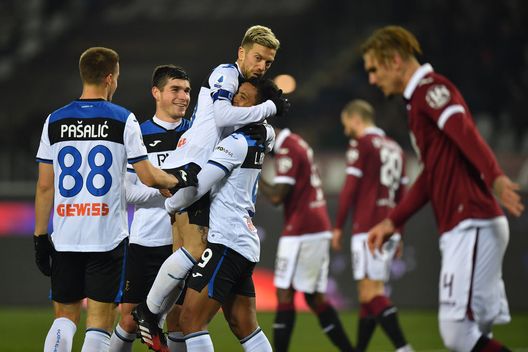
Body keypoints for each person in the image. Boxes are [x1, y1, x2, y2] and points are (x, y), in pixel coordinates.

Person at [361, 26, 524, 352]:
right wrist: (394, 220)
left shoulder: (430, 89)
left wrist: (495, 176)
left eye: (374, 69)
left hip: (470, 220)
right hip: (471, 222)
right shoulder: (417, 102)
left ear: (394, 60)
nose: (372, 80)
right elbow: (431, 175)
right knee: (476, 336)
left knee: (457, 334)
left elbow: (463, 130)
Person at [132, 25, 289, 351]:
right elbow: (222, 113)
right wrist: (268, 114)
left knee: (190, 307)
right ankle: (150, 314)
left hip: (223, 228)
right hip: (237, 228)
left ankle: (148, 312)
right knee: (235, 321)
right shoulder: (226, 79)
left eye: (268, 63)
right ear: (241, 53)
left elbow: (206, 171)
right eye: (258, 58)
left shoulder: (238, 140)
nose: (261, 66)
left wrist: (169, 182)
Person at [33, 47, 196, 352]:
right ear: (110, 78)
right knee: (100, 320)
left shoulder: (54, 121)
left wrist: (41, 236)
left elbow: (44, 187)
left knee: (65, 318)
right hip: (106, 237)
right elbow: (147, 176)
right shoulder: (123, 119)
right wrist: (180, 180)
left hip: (66, 236)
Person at [163, 79, 277, 352]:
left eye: (244, 99)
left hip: (225, 240)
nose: (236, 101)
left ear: (257, 108)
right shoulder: (259, 137)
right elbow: (270, 134)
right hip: (242, 240)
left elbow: (199, 186)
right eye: (236, 95)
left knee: (190, 320)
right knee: (243, 324)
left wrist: (169, 204)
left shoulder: (235, 143)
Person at [109, 65, 192, 352]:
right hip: (146, 240)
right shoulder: (138, 134)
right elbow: (128, 191)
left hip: (184, 243)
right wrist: (171, 191)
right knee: (130, 321)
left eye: (187, 90)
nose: (183, 96)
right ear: (156, 92)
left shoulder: (196, 134)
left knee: (181, 321)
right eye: (176, 89)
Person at [259, 124, 356, 352]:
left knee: (285, 293)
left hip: (303, 230)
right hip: (313, 226)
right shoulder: (297, 142)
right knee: (314, 298)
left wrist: (255, 173)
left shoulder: (288, 149)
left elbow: (276, 197)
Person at [332, 99, 412, 352]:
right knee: (369, 292)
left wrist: (338, 227)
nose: (347, 132)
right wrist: (399, 231)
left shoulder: (363, 144)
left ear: (357, 119)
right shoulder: (396, 148)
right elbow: (402, 196)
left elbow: (349, 189)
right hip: (389, 227)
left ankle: (403, 347)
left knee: (370, 293)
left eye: (348, 125)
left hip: (367, 227)